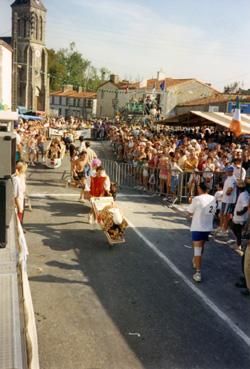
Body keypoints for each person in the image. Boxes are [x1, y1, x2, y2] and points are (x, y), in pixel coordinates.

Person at [187, 182, 216, 283]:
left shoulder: (197, 198)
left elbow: (189, 212)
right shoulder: (213, 198)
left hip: (198, 227)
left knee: (197, 250)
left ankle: (198, 272)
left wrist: (190, 202)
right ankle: (195, 260)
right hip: (207, 227)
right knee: (201, 246)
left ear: (200, 189)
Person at [230, 181, 249, 251]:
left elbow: (246, 206)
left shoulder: (243, 195)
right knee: (236, 230)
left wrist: (240, 213)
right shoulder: (244, 193)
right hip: (239, 217)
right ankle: (238, 242)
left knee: (236, 230)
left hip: (239, 218)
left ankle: (238, 245)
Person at [220, 166, 237, 234]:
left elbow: (230, 189)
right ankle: (221, 228)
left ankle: (225, 230)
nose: (225, 172)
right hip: (225, 199)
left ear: (230, 172)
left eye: (227, 171)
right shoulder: (228, 178)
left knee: (226, 215)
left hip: (229, 200)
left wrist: (227, 193)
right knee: (222, 214)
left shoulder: (232, 179)